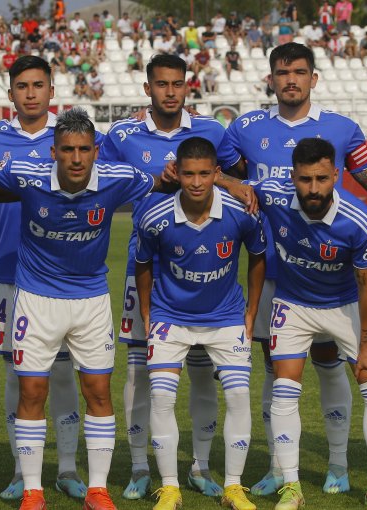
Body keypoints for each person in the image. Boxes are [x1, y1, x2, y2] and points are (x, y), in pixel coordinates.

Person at [0, 107, 192, 510]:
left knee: (98, 392)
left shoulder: (119, 178)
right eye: (68, 149)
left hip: (90, 302)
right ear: (53, 152)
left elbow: (171, 179)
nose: (76, 158)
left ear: (95, 152)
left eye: (84, 150)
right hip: (35, 301)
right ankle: (33, 491)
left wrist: (226, 181)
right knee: (32, 391)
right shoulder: (27, 174)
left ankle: (98, 490)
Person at [219, 41, 367, 498]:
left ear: (313, 78)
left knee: (330, 365)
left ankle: (339, 465)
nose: (291, 80)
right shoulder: (245, 127)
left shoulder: (342, 129)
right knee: (275, 369)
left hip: (332, 275)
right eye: (282, 72)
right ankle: (279, 469)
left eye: (299, 72)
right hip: (273, 272)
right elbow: (228, 177)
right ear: (271, 78)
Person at [98, 54, 247, 501]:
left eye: (176, 84)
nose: (169, 91)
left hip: (205, 271)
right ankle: (142, 466)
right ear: (148, 88)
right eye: (160, 83)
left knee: (203, 375)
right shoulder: (121, 134)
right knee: (140, 372)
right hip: (144, 268)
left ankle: (201, 466)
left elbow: (237, 178)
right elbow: (100, 180)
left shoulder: (212, 133)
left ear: (187, 87)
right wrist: (155, 185)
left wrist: (232, 185)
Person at [0, 55, 97, 502]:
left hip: (68, 279)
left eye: (38, 85)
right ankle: (21, 469)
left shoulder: (72, 136)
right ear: (10, 93)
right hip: (9, 273)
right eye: (22, 86)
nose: (30, 93)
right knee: (17, 373)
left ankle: (68, 468)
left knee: (65, 372)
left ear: (51, 90)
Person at [252, 137, 367, 510]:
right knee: (285, 389)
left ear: (336, 174)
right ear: (292, 177)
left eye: (322, 178)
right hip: (294, 304)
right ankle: (291, 486)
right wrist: (222, 180)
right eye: (305, 180)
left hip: (345, 305)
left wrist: (366, 344)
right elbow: (238, 186)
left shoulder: (359, 220)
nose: (314, 189)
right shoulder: (273, 194)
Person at [136, 136, 266, 510]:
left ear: (215, 174)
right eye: (189, 174)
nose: (196, 183)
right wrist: (147, 313)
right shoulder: (155, 216)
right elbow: (142, 264)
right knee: (161, 396)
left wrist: (251, 312)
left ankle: (233, 487)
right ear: (178, 173)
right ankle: (171, 487)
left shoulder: (240, 212)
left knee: (239, 395)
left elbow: (258, 257)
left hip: (225, 316)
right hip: (171, 317)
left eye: (204, 174)